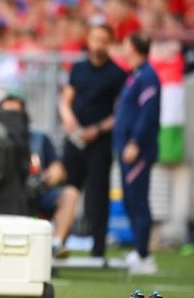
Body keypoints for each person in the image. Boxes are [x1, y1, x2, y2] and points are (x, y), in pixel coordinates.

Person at [59, 24, 127, 258]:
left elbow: (120, 112)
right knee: (68, 188)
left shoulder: (118, 74)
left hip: (99, 142)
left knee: (98, 194)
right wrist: (68, 117)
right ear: (88, 40)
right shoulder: (77, 68)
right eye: (94, 38)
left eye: (103, 39)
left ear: (109, 43)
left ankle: (98, 248)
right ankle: (59, 241)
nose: (98, 44)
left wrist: (97, 129)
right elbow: (66, 99)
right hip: (75, 139)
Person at [0, 95, 79, 258]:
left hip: (35, 193)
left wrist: (55, 171)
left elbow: (57, 167)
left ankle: (56, 245)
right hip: (3, 196)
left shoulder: (39, 139)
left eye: (16, 113)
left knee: (70, 194)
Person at [114, 33, 161, 275]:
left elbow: (148, 113)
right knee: (130, 200)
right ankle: (139, 249)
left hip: (138, 150)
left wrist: (134, 142)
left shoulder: (149, 76)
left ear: (133, 47)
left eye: (125, 43)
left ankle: (146, 256)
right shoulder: (135, 75)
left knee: (139, 201)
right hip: (125, 148)